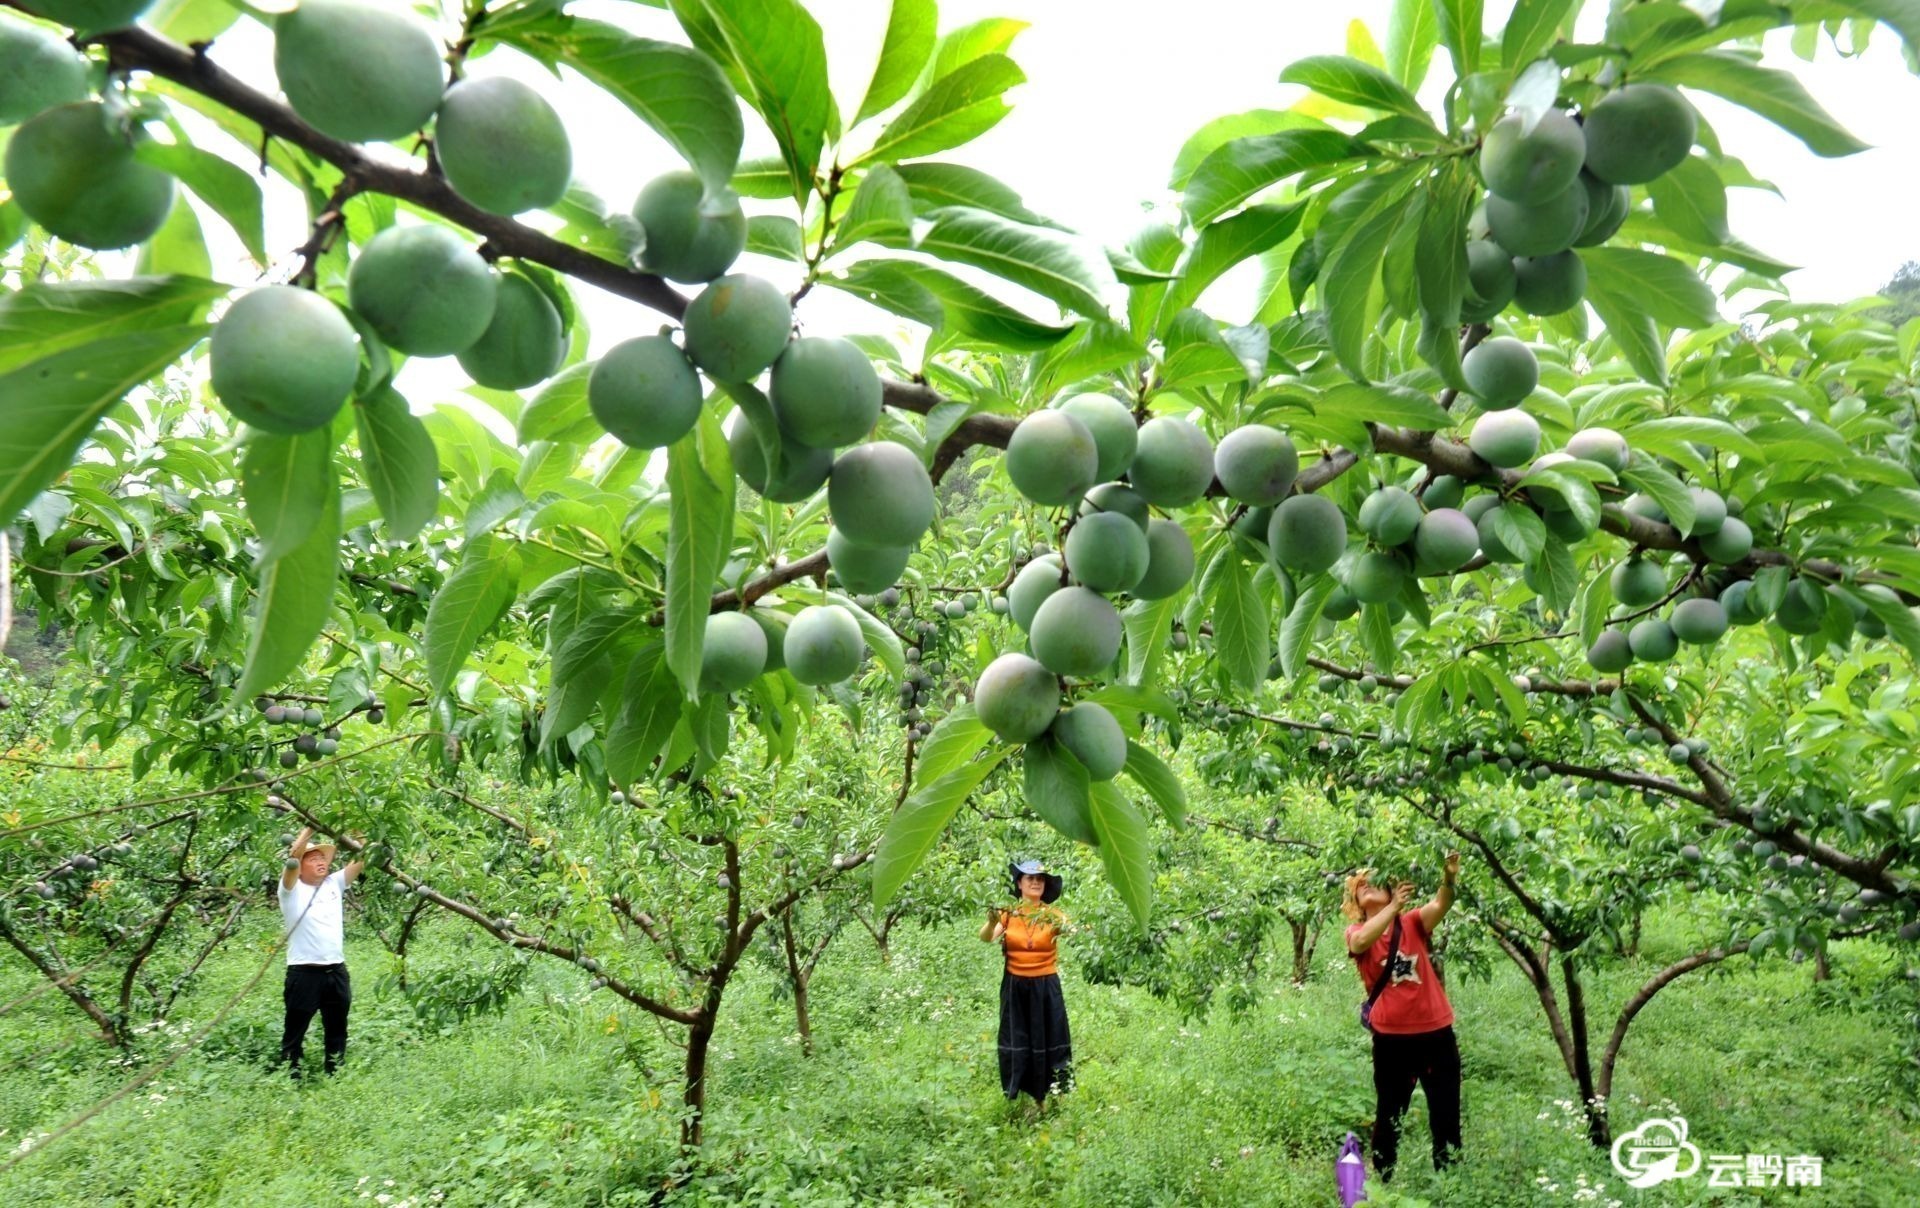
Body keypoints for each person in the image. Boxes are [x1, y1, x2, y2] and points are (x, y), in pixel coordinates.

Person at [1343, 851, 1462, 1180]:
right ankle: (1383, 1180)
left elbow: (1442, 905)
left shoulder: (1411, 922)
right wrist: (1394, 906)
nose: (1366, 886)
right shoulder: (1355, 931)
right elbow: (1363, 941)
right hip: (1392, 1040)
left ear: (1391, 887)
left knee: (1446, 1112)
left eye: (1373, 882)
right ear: (1355, 899)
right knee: (1390, 1113)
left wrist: (1449, 877)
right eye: (1360, 885)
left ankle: (1449, 1184)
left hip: (1436, 1033)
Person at [979, 858, 1073, 1107]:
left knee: (1051, 1039)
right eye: (1030, 878)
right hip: (1016, 986)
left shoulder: (1053, 915)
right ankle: (1026, 1100)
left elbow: (1077, 932)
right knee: (1019, 1039)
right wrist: (990, 922)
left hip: (1046, 987)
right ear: (1019, 883)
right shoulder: (1008, 914)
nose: (1035, 883)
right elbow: (986, 938)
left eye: (1039, 879)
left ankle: (1055, 1099)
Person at [278, 827, 363, 1078]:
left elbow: (362, 857)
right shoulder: (290, 891)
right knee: (296, 1028)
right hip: (304, 973)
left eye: (322, 858)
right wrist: (310, 828)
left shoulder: (334, 883)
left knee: (337, 1027)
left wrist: (358, 829)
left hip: (336, 970)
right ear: (301, 865)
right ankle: (290, 1076)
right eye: (313, 858)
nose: (320, 862)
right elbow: (291, 860)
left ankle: (334, 1074)